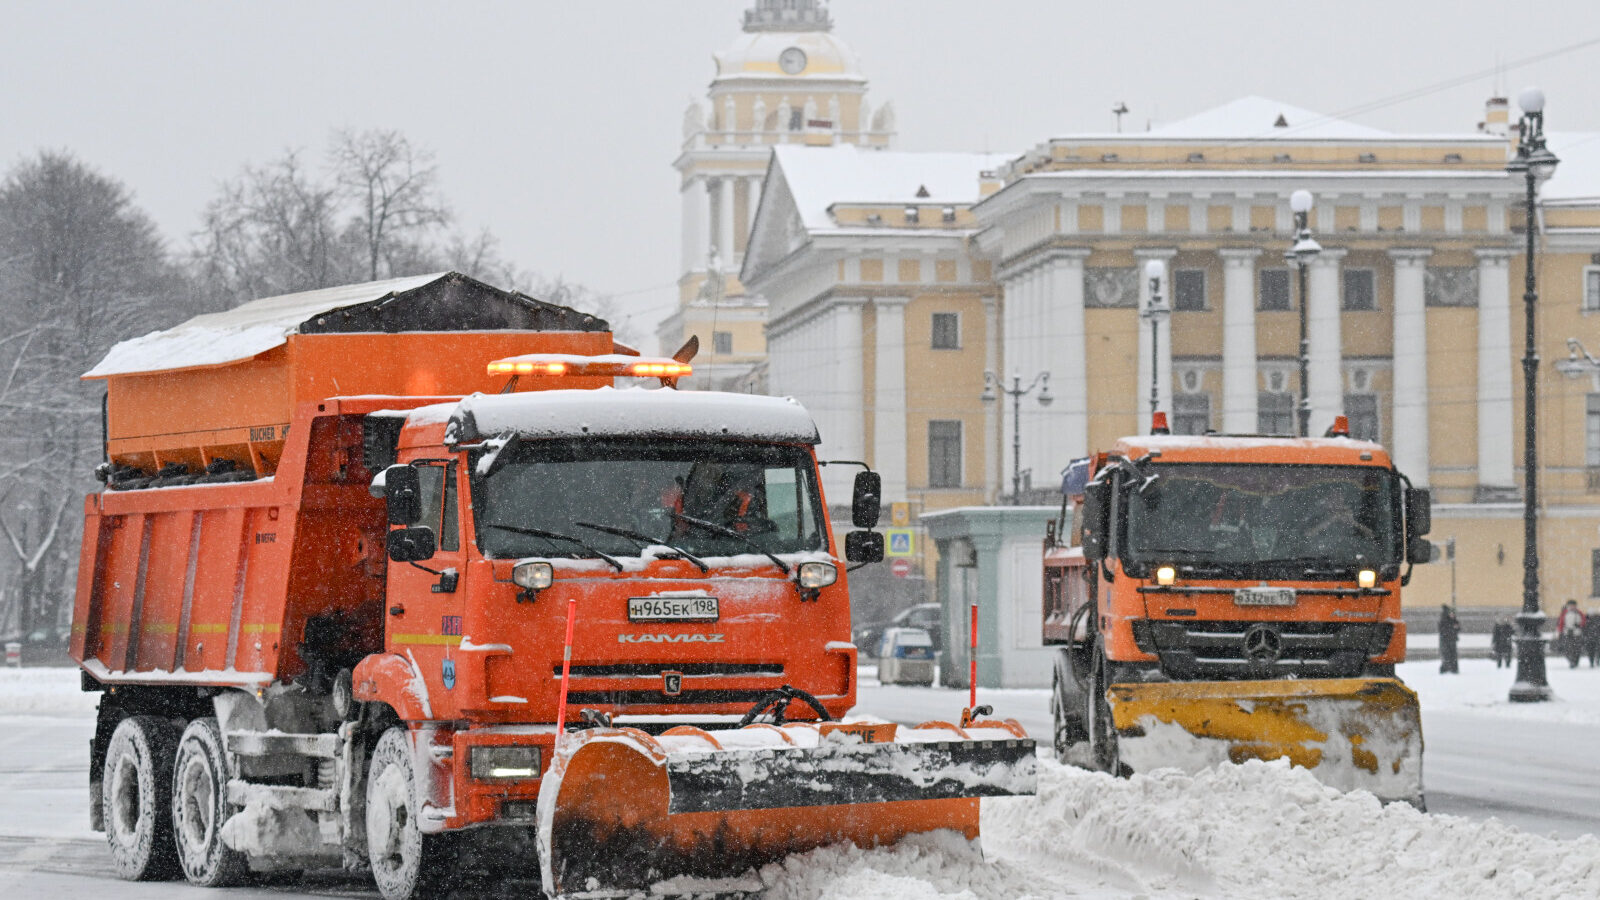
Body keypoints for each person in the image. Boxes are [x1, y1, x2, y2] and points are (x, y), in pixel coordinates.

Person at [1555, 599, 1586, 668]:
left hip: (1577, 633)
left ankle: (1575, 661)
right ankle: (1571, 661)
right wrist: (1560, 632)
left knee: (1577, 648)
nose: (1572, 607)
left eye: (1573, 605)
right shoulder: (1565, 613)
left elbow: (1583, 621)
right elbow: (1561, 623)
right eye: (1570, 605)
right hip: (1567, 632)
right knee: (1568, 648)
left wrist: (1579, 625)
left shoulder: (1579, 613)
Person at [1437, 604, 1460, 674]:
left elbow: (1458, 628)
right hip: (1446, 640)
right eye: (1451, 614)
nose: (1452, 615)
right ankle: (1446, 668)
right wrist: (1453, 628)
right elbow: (1442, 630)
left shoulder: (1454, 620)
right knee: (1447, 655)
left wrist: (1456, 628)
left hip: (1452, 640)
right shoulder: (1444, 620)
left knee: (1453, 655)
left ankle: (1453, 669)